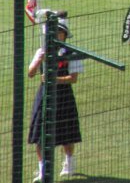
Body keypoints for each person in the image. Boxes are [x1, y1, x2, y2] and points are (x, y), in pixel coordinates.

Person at [28, 12, 83, 182]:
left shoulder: (71, 53)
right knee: (39, 134)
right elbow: (30, 73)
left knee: (66, 133)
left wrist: (54, 79)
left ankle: (69, 164)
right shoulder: (42, 51)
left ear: (64, 35)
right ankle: (42, 169)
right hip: (44, 95)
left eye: (59, 32)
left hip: (63, 95)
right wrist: (39, 60)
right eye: (54, 32)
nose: (56, 35)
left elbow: (73, 78)